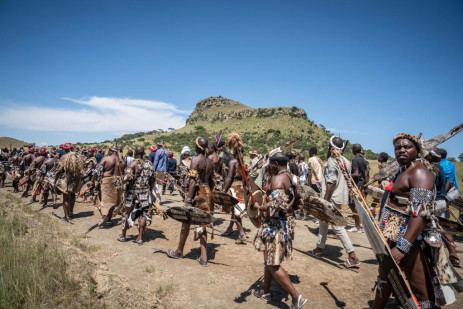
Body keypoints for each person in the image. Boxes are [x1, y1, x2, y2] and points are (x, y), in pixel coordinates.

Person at [373, 134, 449, 308]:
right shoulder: (404, 169)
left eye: (406, 147)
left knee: (420, 289)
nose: (401, 150)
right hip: (394, 235)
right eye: (398, 147)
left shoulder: (420, 173)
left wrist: (402, 247)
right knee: (385, 276)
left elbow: (420, 214)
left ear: (417, 150)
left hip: (411, 240)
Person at [253, 152, 307, 309]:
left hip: (276, 225)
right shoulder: (290, 177)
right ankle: (265, 291)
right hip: (284, 223)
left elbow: (273, 207)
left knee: (272, 262)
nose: (268, 167)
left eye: (270, 164)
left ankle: (296, 298)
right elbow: (286, 199)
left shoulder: (278, 179)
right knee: (269, 259)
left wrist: (258, 207)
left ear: (276, 163)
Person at [309, 136, 360, 268]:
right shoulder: (346, 161)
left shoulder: (332, 161)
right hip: (339, 197)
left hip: (331, 198)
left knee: (337, 227)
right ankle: (319, 249)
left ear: (330, 147)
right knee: (323, 221)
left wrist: (324, 202)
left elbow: (331, 183)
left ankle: (352, 255)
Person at [167, 137, 213, 266]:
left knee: (185, 222)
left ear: (198, 147)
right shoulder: (209, 161)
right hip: (207, 192)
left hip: (197, 193)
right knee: (203, 223)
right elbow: (210, 181)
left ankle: (179, 251)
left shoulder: (195, 160)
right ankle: (204, 257)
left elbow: (192, 181)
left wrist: (188, 200)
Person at [117, 147, 157, 244]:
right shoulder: (150, 165)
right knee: (143, 214)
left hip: (132, 193)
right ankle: (139, 238)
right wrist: (149, 190)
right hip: (144, 193)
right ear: (144, 153)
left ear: (135, 153)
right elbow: (152, 180)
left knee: (126, 214)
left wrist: (121, 180)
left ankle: (123, 235)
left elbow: (125, 178)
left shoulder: (133, 163)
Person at [222, 134, 248, 244]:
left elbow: (229, 177)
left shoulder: (233, 162)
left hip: (234, 188)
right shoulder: (244, 164)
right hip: (242, 187)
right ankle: (229, 228)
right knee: (235, 209)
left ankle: (242, 234)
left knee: (237, 212)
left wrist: (224, 190)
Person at [54, 142, 82, 221]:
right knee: (72, 195)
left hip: (66, 179)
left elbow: (59, 171)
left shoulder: (63, 157)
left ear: (64, 149)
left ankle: (66, 217)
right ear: (72, 148)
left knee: (66, 198)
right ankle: (71, 212)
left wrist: (55, 180)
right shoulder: (77, 157)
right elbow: (80, 169)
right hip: (75, 179)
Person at [98, 144, 124, 227]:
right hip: (117, 181)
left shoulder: (106, 158)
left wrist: (94, 181)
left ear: (110, 150)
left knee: (105, 200)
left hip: (107, 180)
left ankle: (104, 216)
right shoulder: (122, 161)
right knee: (113, 201)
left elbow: (98, 171)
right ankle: (109, 219)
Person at [347, 144, 369, 233]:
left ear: (354, 150)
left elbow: (356, 173)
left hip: (356, 185)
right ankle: (360, 224)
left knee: (353, 205)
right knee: (358, 205)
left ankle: (357, 226)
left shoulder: (355, 159)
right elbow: (366, 174)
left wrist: (348, 174)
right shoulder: (364, 160)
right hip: (362, 184)